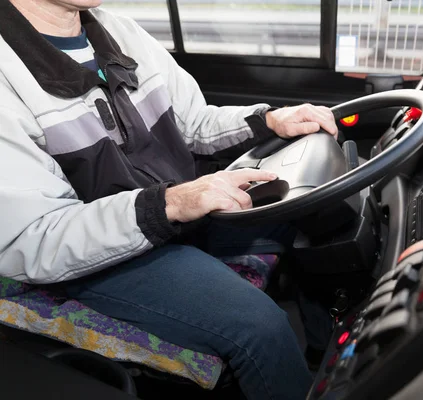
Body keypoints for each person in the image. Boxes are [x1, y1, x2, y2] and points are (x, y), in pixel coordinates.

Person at [0, 0, 339, 398]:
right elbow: (33, 238)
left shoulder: (117, 30)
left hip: (174, 213)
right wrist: (169, 205)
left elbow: (194, 122)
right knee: (261, 327)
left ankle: (327, 358)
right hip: (100, 256)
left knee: (315, 210)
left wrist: (267, 120)